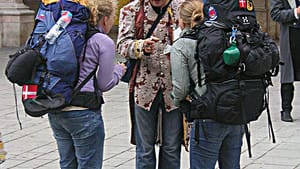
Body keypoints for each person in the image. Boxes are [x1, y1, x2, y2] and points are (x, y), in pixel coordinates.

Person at [47, 0, 126, 168]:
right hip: (84, 112)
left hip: (57, 108)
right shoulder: (102, 41)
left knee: (67, 164)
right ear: (105, 19)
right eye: (113, 17)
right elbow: (105, 83)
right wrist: (119, 70)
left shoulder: (63, 34)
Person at [170, 0, 244, 168]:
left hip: (207, 115)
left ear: (182, 21)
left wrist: (176, 101)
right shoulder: (224, 36)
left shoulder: (182, 45)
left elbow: (180, 88)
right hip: (234, 111)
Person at [117, 0, 183, 168]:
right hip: (144, 89)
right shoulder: (131, 10)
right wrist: (139, 46)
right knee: (144, 149)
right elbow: (122, 45)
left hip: (175, 89)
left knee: (171, 148)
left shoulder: (182, 8)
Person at [270, 0, 300, 122]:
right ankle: (286, 109)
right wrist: (296, 12)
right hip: (291, 35)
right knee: (288, 76)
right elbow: (275, 14)